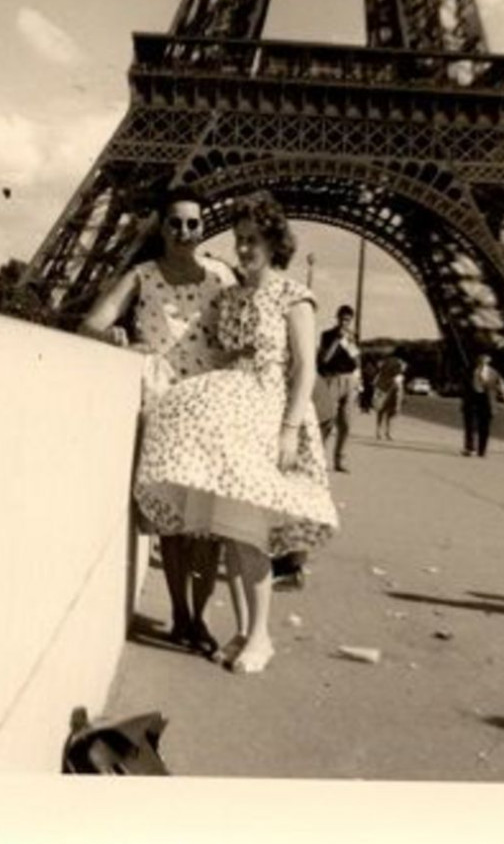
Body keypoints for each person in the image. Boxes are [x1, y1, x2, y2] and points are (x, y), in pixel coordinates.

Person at [134, 193, 338, 675]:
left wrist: (288, 430)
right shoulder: (232, 296)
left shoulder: (295, 297)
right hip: (235, 418)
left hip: (270, 416)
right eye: (240, 240)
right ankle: (245, 632)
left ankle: (262, 637)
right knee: (231, 530)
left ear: (274, 242)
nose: (245, 249)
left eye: (254, 240)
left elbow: (305, 368)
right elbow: (211, 351)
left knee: (249, 533)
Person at [80, 188, 239, 656]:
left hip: (210, 405)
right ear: (161, 227)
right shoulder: (142, 276)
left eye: (193, 223)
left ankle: (201, 617)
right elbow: (90, 324)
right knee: (172, 522)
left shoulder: (222, 277)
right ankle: (181, 615)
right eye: (175, 223)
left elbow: (238, 336)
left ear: (203, 226)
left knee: (207, 526)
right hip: (165, 404)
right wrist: (115, 337)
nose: (184, 232)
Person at [317, 304, 360, 472]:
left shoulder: (353, 336)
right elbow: (325, 359)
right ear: (337, 318)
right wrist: (337, 341)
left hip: (350, 380)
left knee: (347, 423)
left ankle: (340, 460)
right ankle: (319, 457)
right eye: (342, 319)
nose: (344, 323)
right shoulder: (327, 335)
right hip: (332, 378)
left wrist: (351, 344)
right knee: (328, 421)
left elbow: (357, 362)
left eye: (348, 320)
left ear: (351, 320)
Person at [461, 352, 504, 457]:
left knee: (485, 427)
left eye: (485, 358)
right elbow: (464, 383)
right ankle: (470, 447)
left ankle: (482, 450)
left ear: (489, 360)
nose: (483, 359)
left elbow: (500, 384)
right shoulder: (470, 370)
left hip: (487, 401)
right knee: (471, 425)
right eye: (481, 357)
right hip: (472, 399)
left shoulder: (494, 373)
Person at [373, 352, 406, 440]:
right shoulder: (399, 362)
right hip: (390, 387)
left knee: (381, 411)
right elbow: (400, 375)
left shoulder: (384, 362)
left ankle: (379, 431)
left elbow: (378, 370)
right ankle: (387, 432)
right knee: (390, 412)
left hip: (383, 387)